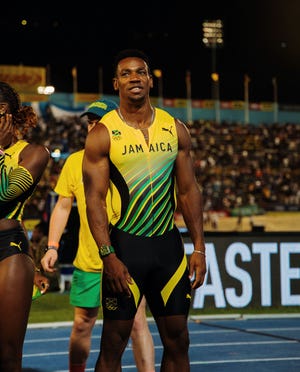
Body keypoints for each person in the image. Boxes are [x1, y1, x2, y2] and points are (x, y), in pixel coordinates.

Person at [82, 49, 207, 371]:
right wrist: (108, 256)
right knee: (113, 343)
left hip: (168, 247)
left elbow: (188, 189)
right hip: (126, 248)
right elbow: (94, 200)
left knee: (179, 340)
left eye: (140, 72)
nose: (134, 78)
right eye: (126, 73)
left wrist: (200, 249)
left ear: (150, 80)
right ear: (116, 83)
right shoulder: (102, 134)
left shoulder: (174, 128)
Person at [41, 98, 155, 372]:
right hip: (90, 261)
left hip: (127, 258)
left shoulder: (131, 158)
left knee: (138, 322)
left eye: (98, 121)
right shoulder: (75, 161)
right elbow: (63, 205)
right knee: (83, 323)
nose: (93, 126)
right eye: (90, 121)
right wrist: (53, 246)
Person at [0, 81, 50, 371]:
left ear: (4, 112)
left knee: (7, 355)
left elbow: (4, 195)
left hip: (8, 251)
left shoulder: (33, 153)